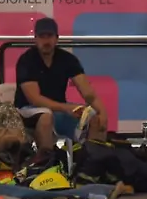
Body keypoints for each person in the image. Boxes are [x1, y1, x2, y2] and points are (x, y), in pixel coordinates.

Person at [13, 18, 109, 165]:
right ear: (35, 39)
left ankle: (92, 166)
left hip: (59, 111)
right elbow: (34, 99)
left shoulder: (67, 59)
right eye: (42, 36)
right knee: (46, 116)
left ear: (56, 38)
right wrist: (67, 108)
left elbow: (88, 92)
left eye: (49, 36)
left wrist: (102, 113)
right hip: (28, 110)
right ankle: (46, 165)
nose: (46, 41)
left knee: (95, 119)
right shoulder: (26, 60)